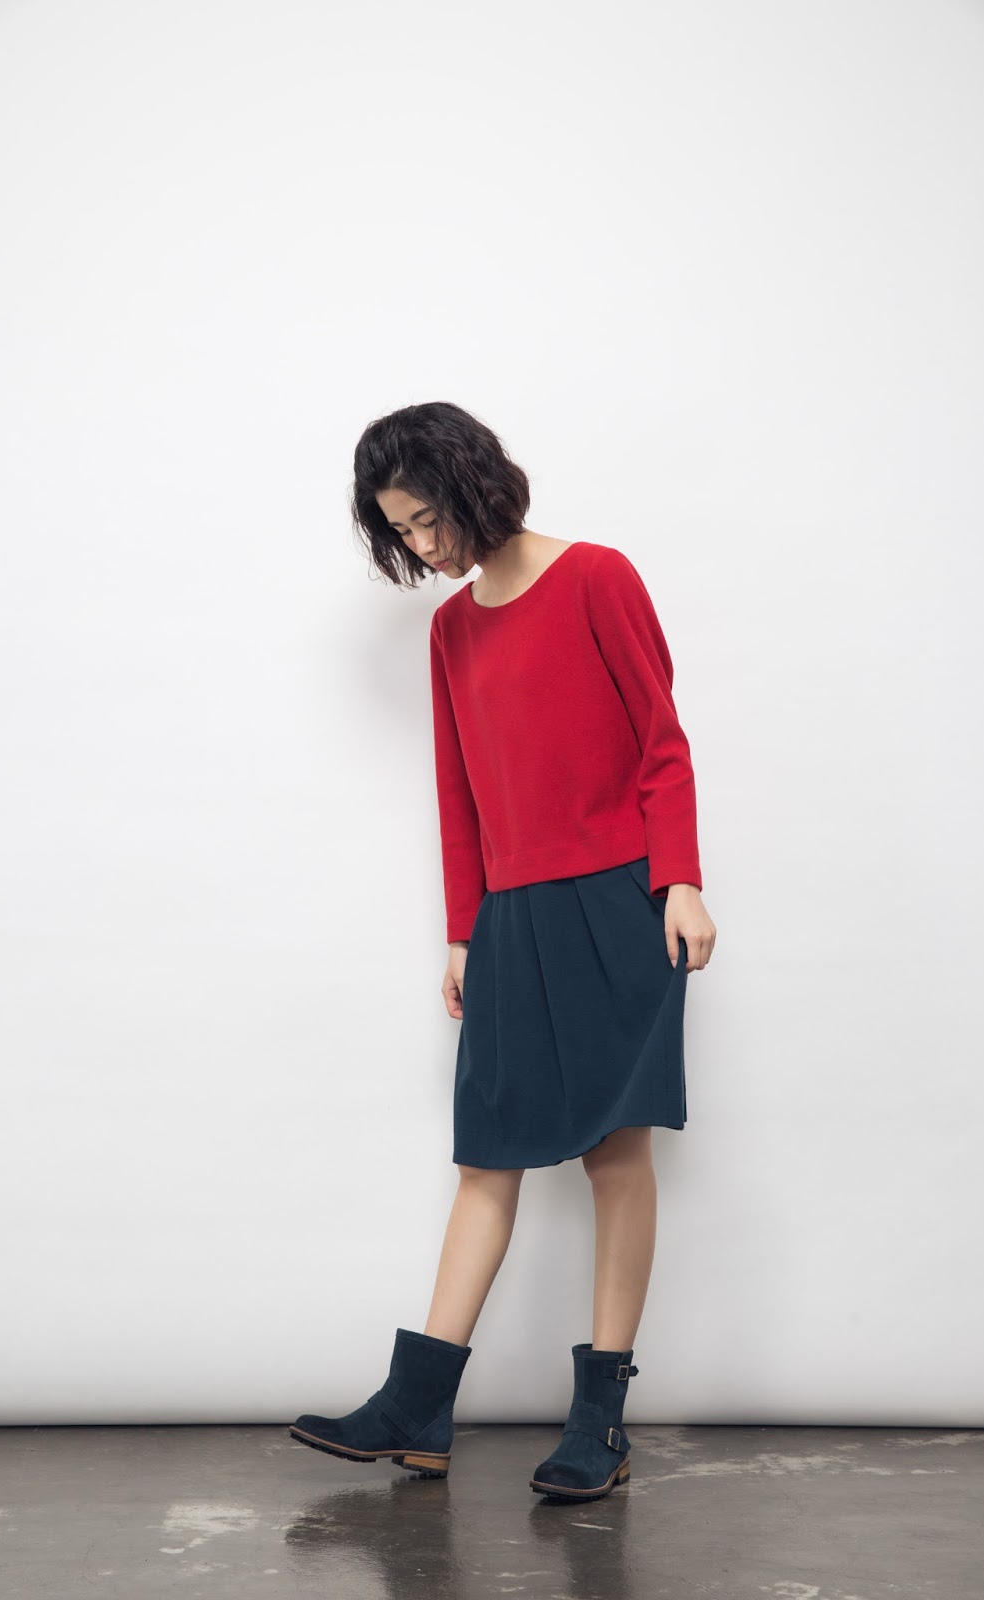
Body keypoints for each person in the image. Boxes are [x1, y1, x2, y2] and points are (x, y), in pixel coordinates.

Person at [290, 401, 717, 1502]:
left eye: (429, 519)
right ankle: (418, 1405)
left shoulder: (597, 577)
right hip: (511, 919)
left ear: (473, 484)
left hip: (618, 901)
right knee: (487, 1153)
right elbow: (459, 796)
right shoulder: (451, 631)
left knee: (613, 1153)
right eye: (403, 532)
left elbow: (662, 740)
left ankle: (599, 1421)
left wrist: (680, 879)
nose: (425, 546)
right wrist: (462, 932)